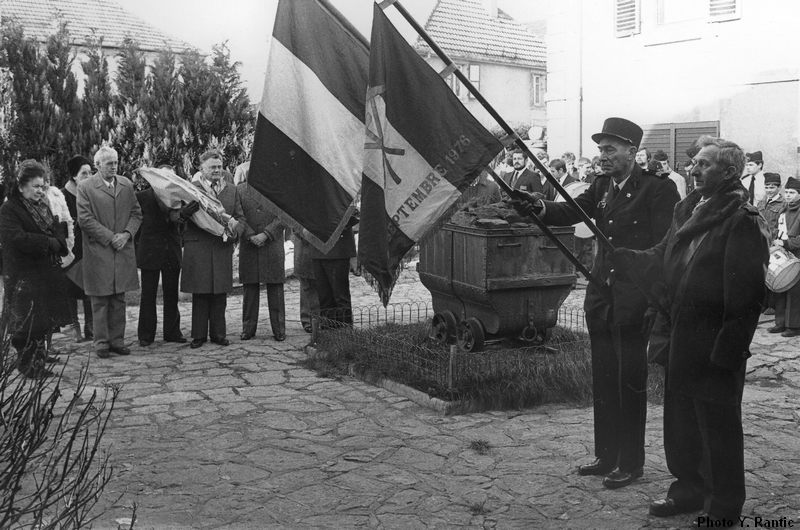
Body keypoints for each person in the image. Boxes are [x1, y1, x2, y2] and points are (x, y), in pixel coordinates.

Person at [613, 135, 769, 525]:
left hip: (714, 345)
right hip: (678, 336)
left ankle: (722, 506)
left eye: (703, 164)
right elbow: (663, 257)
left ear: (730, 171)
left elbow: (748, 299)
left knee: (717, 428)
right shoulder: (688, 209)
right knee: (680, 423)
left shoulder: (741, 220)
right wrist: (627, 258)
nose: (693, 169)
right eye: (694, 162)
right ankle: (687, 490)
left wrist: (728, 352)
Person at [517, 117, 680, 489]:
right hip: (602, 296)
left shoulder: (658, 189)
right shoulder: (602, 185)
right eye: (600, 149)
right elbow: (572, 210)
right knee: (604, 377)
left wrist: (650, 294)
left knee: (629, 379)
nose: (602, 156)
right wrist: (538, 206)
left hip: (633, 298)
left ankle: (630, 462)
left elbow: (664, 249)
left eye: (610, 149)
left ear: (631, 152)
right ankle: (606, 455)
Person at [0, 160, 70, 378]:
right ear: (21, 187)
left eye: (43, 186)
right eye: (36, 186)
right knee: (26, 323)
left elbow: (58, 230)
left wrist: (58, 241)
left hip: (44, 272)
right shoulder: (10, 209)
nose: (41, 191)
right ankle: (28, 366)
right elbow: (16, 238)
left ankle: (37, 363)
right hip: (23, 274)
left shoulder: (43, 207)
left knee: (42, 320)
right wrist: (48, 242)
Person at [77, 146, 142, 358]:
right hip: (99, 250)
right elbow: (85, 220)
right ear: (97, 165)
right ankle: (101, 343)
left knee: (119, 298)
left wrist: (126, 234)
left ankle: (117, 341)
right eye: (109, 163)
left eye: (115, 163)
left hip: (122, 248)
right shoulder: (86, 187)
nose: (114, 167)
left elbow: (136, 214)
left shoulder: (126, 184)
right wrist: (110, 237)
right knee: (100, 298)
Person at [180, 150, 245, 349]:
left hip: (221, 247)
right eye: (212, 167)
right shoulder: (191, 189)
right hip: (198, 247)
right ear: (202, 169)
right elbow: (177, 219)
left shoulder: (232, 190)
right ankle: (198, 336)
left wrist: (234, 234)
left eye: (219, 166)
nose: (217, 170)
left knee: (219, 293)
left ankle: (218, 334)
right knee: (200, 293)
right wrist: (183, 214)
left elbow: (240, 218)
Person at [135, 178, 197, 346]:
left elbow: (182, 226)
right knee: (148, 294)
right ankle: (146, 335)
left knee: (171, 294)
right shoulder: (141, 196)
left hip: (171, 250)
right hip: (150, 250)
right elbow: (136, 223)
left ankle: (172, 332)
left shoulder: (178, 197)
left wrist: (183, 215)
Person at [236, 165, 286, 341]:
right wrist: (250, 235)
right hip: (249, 245)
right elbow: (237, 215)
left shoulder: (278, 189)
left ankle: (279, 329)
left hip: (272, 244)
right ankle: (248, 329)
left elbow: (284, 216)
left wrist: (266, 234)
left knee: (276, 288)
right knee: (250, 289)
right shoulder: (239, 190)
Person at [61, 155, 94, 342]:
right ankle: (74, 325)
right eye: (84, 173)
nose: (88, 176)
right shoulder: (62, 195)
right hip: (70, 248)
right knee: (70, 288)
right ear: (74, 176)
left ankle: (91, 325)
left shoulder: (90, 193)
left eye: (90, 172)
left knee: (89, 287)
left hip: (88, 246)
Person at [309, 215, 359, 327]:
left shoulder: (340, 197)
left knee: (340, 296)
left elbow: (353, 216)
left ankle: (344, 332)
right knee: (324, 297)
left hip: (338, 250)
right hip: (318, 249)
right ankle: (328, 334)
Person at [770, 176, 800, 337]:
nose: (788, 195)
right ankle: (780, 323)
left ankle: (794, 326)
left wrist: (786, 243)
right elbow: (776, 228)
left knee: (794, 291)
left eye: (792, 192)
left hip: (796, 255)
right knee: (780, 287)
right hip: (782, 253)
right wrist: (775, 239)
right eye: (786, 192)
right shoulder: (784, 209)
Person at [292, 233, 320, 333]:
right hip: (305, 245)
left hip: (324, 245)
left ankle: (323, 319)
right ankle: (308, 320)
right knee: (307, 284)